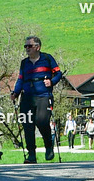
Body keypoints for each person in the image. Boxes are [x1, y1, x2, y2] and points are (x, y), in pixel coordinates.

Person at [11, 35, 62, 163]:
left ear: (37, 47)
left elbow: (58, 73)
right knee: (27, 126)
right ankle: (31, 154)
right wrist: (15, 92)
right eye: (25, 46)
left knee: (42, 121)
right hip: (27, 97)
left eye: (29, 46)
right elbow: (21, 79)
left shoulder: (47, 58)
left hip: (44, 95)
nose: (27, 48)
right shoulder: (24, 63)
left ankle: (48, 145)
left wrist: (52, 81)